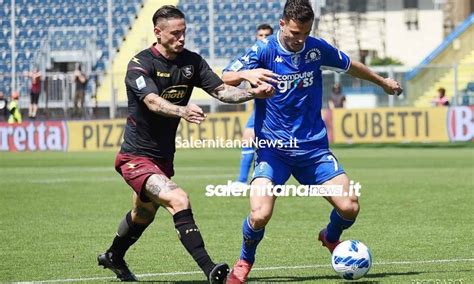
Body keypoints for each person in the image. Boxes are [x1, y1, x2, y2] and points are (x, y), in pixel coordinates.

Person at [222, 0, 403, 282]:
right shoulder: (264, 49)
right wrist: (247, 74)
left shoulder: (315, 48)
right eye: (295, 33)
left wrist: (382, 82)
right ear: (282, 24)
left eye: (305, 33)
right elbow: (225, 77)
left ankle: (330, 236)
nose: (300, 40)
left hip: (313, 150)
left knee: (349, 206)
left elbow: (350, 66)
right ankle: (245, 260)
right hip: (273, 151)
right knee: (259, 215)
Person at [97, 5, 274, 283]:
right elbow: (152, 101)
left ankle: (113, 256)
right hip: (135, 157)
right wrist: (183, 110)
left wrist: (253, 93)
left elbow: (222, 91)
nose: (181, 38)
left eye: (184, 32)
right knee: (178, 199)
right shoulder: (139, 64)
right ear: (157, 32)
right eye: (175, 33)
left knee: (142, 214)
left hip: (162, 159)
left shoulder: (192, 61)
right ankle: (210, 269)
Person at [233, 24, 274, 186]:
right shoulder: (255, 58)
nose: (263, 38)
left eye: (267, 35)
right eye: (261, 35)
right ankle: (242, 181)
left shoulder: (276, 57)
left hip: (278, 110)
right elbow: (231, 75)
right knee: (248, 138)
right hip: (261, 108)